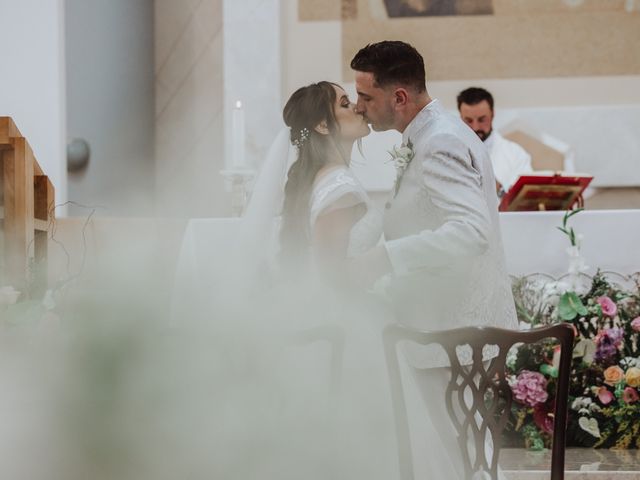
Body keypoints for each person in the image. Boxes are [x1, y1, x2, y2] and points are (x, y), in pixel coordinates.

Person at [350, 40, 517, 479]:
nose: (360, 107)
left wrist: (386, 257)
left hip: (452, 335)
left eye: (367, 97)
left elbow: (471, 231)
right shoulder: (433, 133)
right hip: (444, 331)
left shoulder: (440, 140)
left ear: (399, 97)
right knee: (457, 459)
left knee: (462, 462)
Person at [457, 87, 533, 195]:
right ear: (460, 118)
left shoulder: (516, 154)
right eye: (468, 121)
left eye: (482, 120)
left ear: (493, 114)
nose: (475, 127)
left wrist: (499, 189)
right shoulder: (450, 153)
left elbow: (525, 198)